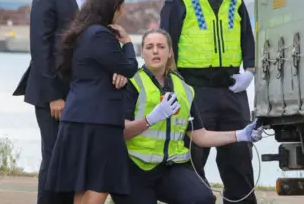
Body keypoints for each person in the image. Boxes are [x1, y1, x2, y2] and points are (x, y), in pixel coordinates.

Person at [12, 0, 129, 204]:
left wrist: (116, 72)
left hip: (82, 98)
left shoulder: (93, 1)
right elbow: (40, 51)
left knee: (75, 163)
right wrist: (54, 96)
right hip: (54, 96)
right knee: (55, 160)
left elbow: (98, 48)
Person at [110, 28, 263, 204]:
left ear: (170, 52)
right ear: (142, 53)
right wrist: (151, 119)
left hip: (170, 169)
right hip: (134, 170)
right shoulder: (132, 83)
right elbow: (121, 131)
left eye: (160, 46)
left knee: (202, 199)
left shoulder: (183, 88)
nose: (155, 51)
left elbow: (201, 136)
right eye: (149, 47)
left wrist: (241, 135)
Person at [159, 0, 257, 204]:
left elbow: (246, 34)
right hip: (193, 89)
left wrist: (250, 69)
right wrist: (170, 86)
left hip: (231, 89)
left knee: (239, 158)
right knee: (193, 158)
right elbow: (165, 42)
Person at [45, 0, 138, 204]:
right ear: (113, 6)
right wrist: (126, 42)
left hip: (80, 117)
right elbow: (129, 67)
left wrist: (119, 72)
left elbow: (110, 69)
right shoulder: (99, 35)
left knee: (82, 185)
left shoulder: (82, 33)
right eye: (121, 5)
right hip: (99, 120)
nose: (122, 10)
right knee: (102, 183)